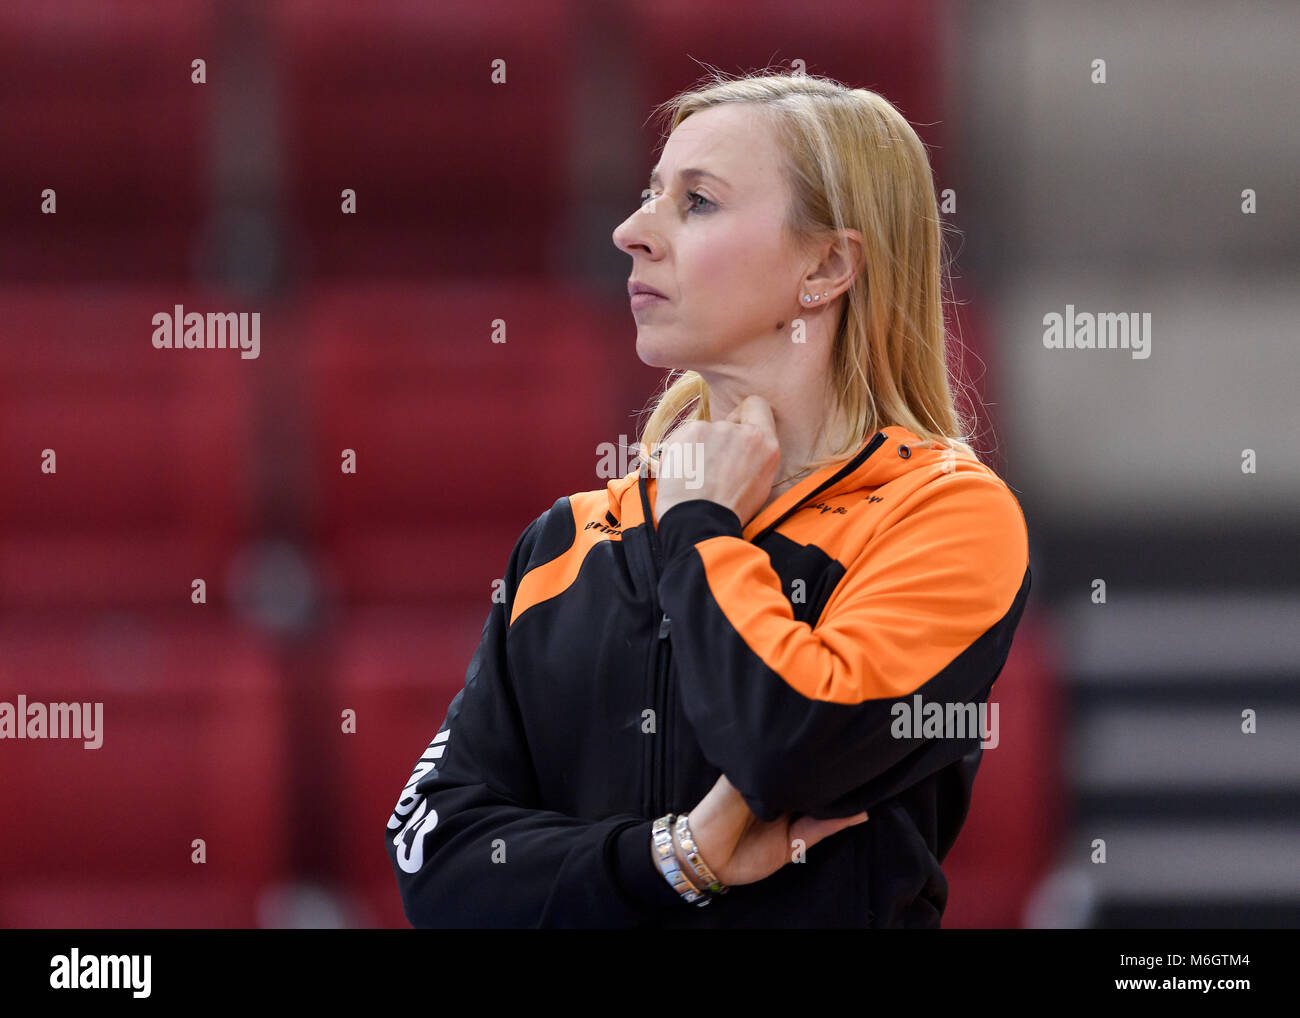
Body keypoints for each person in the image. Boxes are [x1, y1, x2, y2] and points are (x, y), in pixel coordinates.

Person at [386, 70, 1031, 928]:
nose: (629, 233)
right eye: (651, 195)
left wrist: (701, 528)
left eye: (697, 203)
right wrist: (672, 859)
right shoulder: (569, 541)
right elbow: (437, 861)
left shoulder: (945, 515)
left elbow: (787, 747)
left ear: (829, 264)